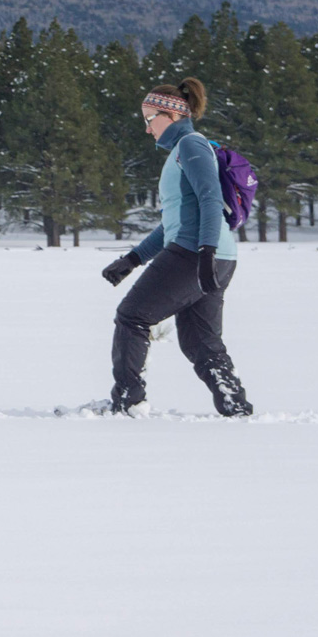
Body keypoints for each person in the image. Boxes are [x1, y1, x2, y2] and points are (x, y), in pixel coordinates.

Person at [101, 77, 252, 417]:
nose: (147, 129)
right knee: (200, 341)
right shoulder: (186, 150)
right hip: (214, 254)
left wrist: (205, 252)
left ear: (169, 116)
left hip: (196, 252)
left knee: (132, 316)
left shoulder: (191, 146)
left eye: (149, 119)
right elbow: (174, 222)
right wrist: (133, 258)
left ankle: (127, 402)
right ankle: (235, 405)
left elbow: (211, 200)